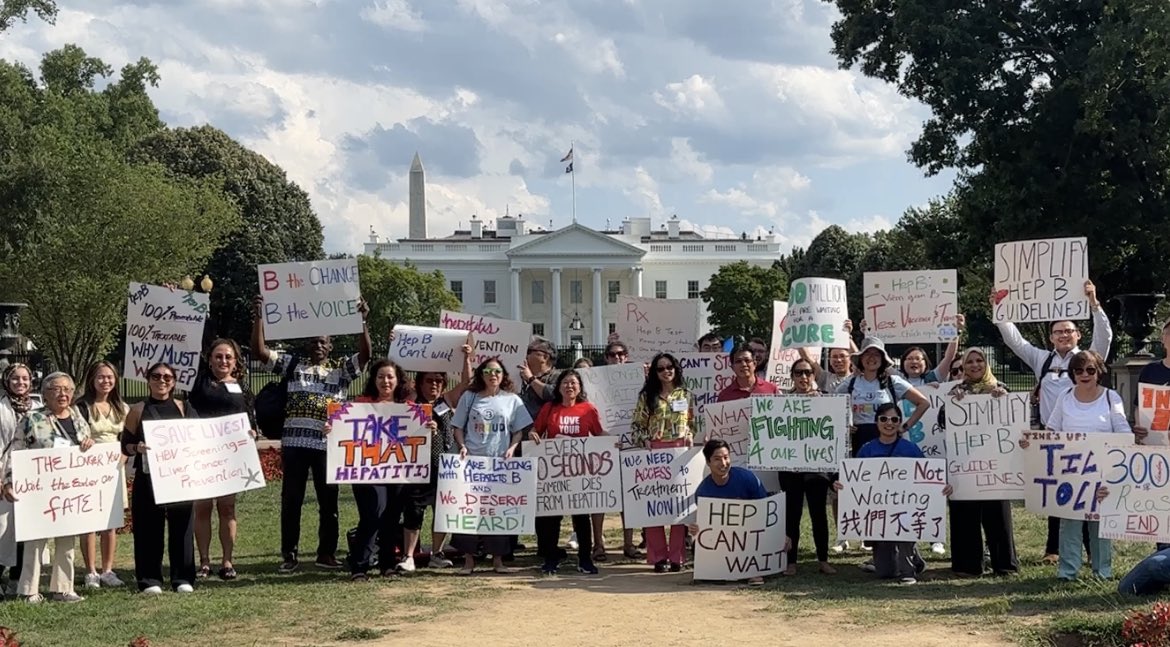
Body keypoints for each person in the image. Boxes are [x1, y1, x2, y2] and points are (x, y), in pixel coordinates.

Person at [251, 294, 372, 573]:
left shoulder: (340, 371)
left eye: (323, 342)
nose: (318, 346)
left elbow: (365, 355)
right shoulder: (293, 366)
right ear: (308, 344)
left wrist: (362, 322)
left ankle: (326, 553)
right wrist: (258, 317)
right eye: (314, 342)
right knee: (291, 501)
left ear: (330, 346)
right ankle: (289, 554)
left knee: (329, 502)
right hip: (295, 444)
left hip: (326, 446)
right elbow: (259, 352)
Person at [993, 280, 1111, 564]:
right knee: (1057, 492)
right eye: (1058, 332)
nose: (1063, 335)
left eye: (1068, 331)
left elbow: (1105, 337)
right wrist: (999, 309)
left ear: (1078, 334)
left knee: (1089, 493)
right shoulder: (1042, 360)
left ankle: (1092, 551)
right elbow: (1015, 341)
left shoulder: (1089, 359)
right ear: (1051, 338)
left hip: (1087, 437)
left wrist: (1094, 304)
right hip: (1053, 436)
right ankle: (1053, 549)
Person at [1035, 350, 1133, 580]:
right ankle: (1068, 571)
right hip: (1070, 471)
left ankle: (1102, 572)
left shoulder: (1111, 398)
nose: (1084, 375)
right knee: (1069, 522)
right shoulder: (1065, 397)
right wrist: (1032, 443)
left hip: (1102, 471)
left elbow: (1123, 432)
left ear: (1099, 372)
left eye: (1090, 370)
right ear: (1072, 374)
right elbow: (1052, 430)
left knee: (1099, 523)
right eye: (1078, 370)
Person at [835, 403, 953, 585]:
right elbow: (854, 480)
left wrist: (941, 487)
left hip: (906, 513)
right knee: (885, 573)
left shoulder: (911, 449)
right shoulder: (867, 449)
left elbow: (928, 478)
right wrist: (841, 485)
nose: (889, 423)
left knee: (904, 529)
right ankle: (915, 560)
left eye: (894, 419)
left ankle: (908, 571)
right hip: (878, 515)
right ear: (876, 422)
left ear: (899, 423)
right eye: (883, 419)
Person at [3, 373, 95, 602]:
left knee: (67, 538)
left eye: (67, 389)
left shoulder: (78, 417)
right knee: (35, 540)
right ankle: (28, 590)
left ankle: (63, 588)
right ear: (45, 394)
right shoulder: (32, 419)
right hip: (39, 489)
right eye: (56, 389)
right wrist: (9, 481)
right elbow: (15, 451)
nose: (63, 394)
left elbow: (87, 448)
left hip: (69, 489)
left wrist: (89, 443)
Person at [343, 359, 437, 580]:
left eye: (390, 377)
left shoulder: (410, 409)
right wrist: (333, 428)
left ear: (398, 380)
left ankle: (387, 565)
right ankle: (359, 567)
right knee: (373, 513)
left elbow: (417, 438)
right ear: (374, 380)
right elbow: (346, 430)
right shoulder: (361, 404)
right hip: (368, 471)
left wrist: (429, 428)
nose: (385, 381)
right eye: (381, 377)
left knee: (392, 516)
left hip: (399, 471)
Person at [121, 362, 198, 594]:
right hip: (148, 477)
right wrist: (138, 448)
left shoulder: (184, 407)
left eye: (167, 377)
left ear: (174, 382)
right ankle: (150, 579)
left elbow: (200, 437)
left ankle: (182, 578)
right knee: (147, 527)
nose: (161, 381)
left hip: (179, 477)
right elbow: (125, 445)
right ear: (148, 380)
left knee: (182, 526)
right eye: (156, 376)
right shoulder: (137, 410)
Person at [451, 358, 533, 575]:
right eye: (488, 371)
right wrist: (462, 446)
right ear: (481, 374)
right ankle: (468, 561)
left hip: (499, 464)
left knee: (497, 512)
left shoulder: (512, 400)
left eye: (497, 371)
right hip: (473, 464)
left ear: (503, 375)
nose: (492, 375)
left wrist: (512, 448)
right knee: (468, 511)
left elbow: (518, 430)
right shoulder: (469, 397)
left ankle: (498, 561)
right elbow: (457, 426)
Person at [944, 348, 1020, 577]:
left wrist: (1004, 400)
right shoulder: (956, 391)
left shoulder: (1001, 388)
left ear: (986, 364)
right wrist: (953, 404)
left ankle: (1004, 565)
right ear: (963, 366)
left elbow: (1015, 418)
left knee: (998, 514)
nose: (975, 365)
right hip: (965, 463)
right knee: (964, 513)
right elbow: (942, 421)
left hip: (995, 465)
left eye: (979, 360)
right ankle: (967, 565)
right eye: (969, 362)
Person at [187, 336, 255, 581]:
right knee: (202, 507)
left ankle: (227, 560)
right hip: (203, 454)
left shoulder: (242, 388)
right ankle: (204, 561)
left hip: (230, 458)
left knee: (227, 508)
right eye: (218, 356)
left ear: (236, 361)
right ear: (209, 360)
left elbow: (250, 418)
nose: (223, 361)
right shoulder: (198, 383)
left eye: (228, 357)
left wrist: (252, 432)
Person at [401, 341, 473, 571]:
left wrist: (466, 358)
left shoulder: (446, 401)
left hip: (445, 466)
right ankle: (409, 556)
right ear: (420, 383)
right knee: (414, 511)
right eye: (429, 380)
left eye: (439, 381)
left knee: (442, 511)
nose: (434, 384)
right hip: (417, 468)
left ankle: (437, 553)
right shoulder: (411, 404)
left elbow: (467, 383)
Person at [530, 369, 605, 575]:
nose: (569, 386)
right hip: (555, 473)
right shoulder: (549, 408)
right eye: (565, 382)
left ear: (579, 387)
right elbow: (536, 430)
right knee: (552, 518)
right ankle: (551, 559)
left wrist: (614, 442)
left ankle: (585, 559)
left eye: (573, 383)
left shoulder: (588, 409)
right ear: (558, 387)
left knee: (581, 517)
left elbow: (599, 434)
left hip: (579, 472)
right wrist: (533, 434)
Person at [692, 439, 791, 585]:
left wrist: (780, 534)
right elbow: (707, 527)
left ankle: (752, 571)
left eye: (726, 457)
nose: (723, 463)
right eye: (717, 459)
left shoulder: (747, 478)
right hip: (725, 540)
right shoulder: (703, 492)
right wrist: (696, 530)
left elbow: (765, 510)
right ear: (708, 462)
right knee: (698, 547)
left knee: (777, 541)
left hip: (751, 536)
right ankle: (725, 572)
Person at [630, 352, 695, 573]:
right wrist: (644, 440)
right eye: (660, 368)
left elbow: (693, 422)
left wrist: (691, 435)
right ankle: (658, 557)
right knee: (654, 505)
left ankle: (677, 557)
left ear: (675, 369)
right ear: (654, 373)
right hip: (655, 453)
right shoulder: (647, 396)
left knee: (679, 505)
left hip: (680, 452)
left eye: (669, 367)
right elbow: (636, 425)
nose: (666, 371)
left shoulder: (686, 394)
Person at [74, 361, 128, 588]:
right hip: (89, 468)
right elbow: (74, 435)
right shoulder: (81, 407)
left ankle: (107, 570)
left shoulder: (122, 408)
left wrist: (124, 454)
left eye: (109, 377)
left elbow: (126, 440)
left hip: (114, 469)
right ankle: (91, 571)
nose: (105, 381)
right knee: (89, 520)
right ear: (92, 380)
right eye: (101, 377)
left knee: (110, 521)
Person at [781, 358, 835, 575]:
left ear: (814, 376)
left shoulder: (827, 400)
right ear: (792, 376)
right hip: (790, 467)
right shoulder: (782, 402)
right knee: (791, 514)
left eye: (807, 372)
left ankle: (823, 560)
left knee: (818, 514)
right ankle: (791, 562)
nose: (803, 377)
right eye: (798, 373)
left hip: (817, 467)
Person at [835, 337, 930, 456]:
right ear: (861, 358)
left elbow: (924, 403)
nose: (871, 358)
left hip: (889, 439)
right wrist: (844, 425)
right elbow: (831, 404)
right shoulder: (850, 383)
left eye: (876, 354)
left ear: (882, 359)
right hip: (859, 439)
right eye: (867, 354)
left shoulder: (893, 382)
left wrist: (904, 427)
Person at [0, 363, 38, 594]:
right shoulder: (1, 407)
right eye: (15, 378)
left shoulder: (38, 407)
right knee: (3, 527)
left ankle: (18, 578)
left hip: (32, 474)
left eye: (25, 378)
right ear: (6, 381)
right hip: (4, 471)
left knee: (27, 526)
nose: (20, 383)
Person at [604, 340, 641, 561]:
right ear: (606, 357)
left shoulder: (638, 379)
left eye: (621, 354)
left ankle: (629, 543)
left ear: (627, 356)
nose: (617, 357)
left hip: (630, 447)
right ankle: (598, 545)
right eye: (613, 354)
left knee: (629, 498)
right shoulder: (595, 380)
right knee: (599, 498)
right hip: (603, 447)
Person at [1129, 318, 1170, 446]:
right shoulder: (1150, 371)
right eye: (1169, 333)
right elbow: (1139, 406)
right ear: (1162, 339)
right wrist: (1139, 424)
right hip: (1154, 445)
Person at [716, 343, 780, 401]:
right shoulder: (724, 396)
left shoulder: (771, 389)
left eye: (747, 360)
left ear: (755, 364)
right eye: (738, 361)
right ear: (732, 367)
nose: (743, 364)